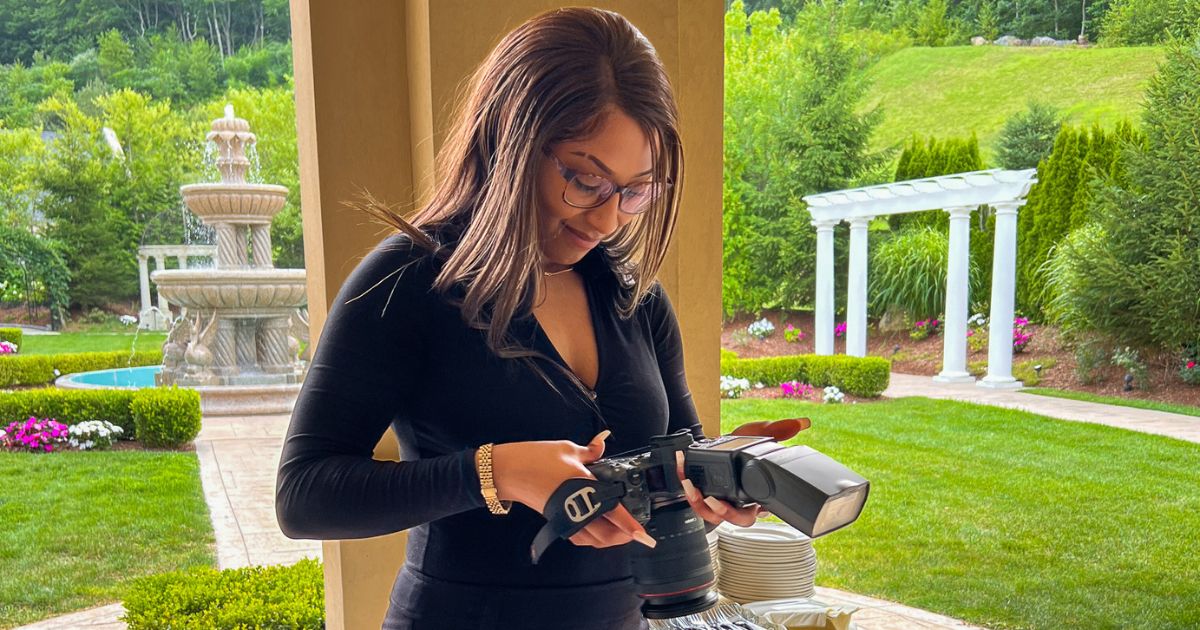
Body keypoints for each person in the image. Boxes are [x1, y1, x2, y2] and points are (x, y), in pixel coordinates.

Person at [275, 7, 801, 629]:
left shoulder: (635, 300)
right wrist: (495, 472)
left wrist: (719, 478)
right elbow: (304, 496)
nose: (608, 221)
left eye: (636, 191)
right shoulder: (410, 281)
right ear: (509, 139)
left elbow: (672, 458)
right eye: (584, 179)